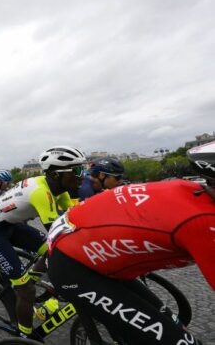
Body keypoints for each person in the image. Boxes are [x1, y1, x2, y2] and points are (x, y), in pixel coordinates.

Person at [47, 141, 215, 345]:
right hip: (74, 264)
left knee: (174, 326)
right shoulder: (203, 222)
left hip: (89, 250)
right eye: (115, 178)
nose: (119, 181)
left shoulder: (190, 188)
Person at [0, 145, 86, 340]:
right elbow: (58, 235)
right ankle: (24, 338)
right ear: (55, 174)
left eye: (83, 169)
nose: (82, 176)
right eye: (77, 171)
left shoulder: (60, 188)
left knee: (50, 252)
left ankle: (31, 278)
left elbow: (76, 219)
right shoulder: (41, 193)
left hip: (10, 224)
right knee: (27, 289)